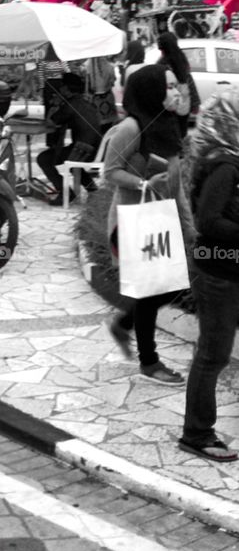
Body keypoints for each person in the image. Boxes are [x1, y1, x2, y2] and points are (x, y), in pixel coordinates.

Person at [104, 65, 186, 384]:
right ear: (152, 91)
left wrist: (188, 225)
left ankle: (123, 324)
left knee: (172, 286)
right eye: (169, 87)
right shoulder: (130, 128)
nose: (176, 91)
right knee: (154, 289)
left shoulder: (166, 125)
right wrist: (144, 183)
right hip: (132, 220)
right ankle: (149, 362)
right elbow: (109, 172)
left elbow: (175, 182)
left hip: (159, 218)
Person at [179, 90, 239, 462]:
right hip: (219, 274)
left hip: (226, 269)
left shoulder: (226, 161)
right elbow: (208, 221)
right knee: (212, 355)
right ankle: (196, 433)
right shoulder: (225, 166)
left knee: (213, 352)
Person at [37, 74, 102, 205]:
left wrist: (55, 105)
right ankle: (93, 190)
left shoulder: (71, 104)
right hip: (96, 149)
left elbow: (51, 122)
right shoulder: (86, 102)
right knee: (72, 161)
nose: (60, 89)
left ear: (66, 89)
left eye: (61, 87)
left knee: (43, 158)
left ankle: (65, 193)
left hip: (83, 150)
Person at [156, 30, 200, 138]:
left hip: (170, 104)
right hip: (185, 101)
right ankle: (181, 151)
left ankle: (177, 151)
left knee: (172, 133)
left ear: (163, 48)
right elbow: (189, 79)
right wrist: (195, 102)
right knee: (182, 130)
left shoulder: (162, 64)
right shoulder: (182, 58)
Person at [86, 55, 118, 133]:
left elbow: (87, 86)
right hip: (108, 99)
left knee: (95, 129)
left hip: (94, 100)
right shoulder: (110, 66)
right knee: (108, 129)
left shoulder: (87, 66)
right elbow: (112, 82)